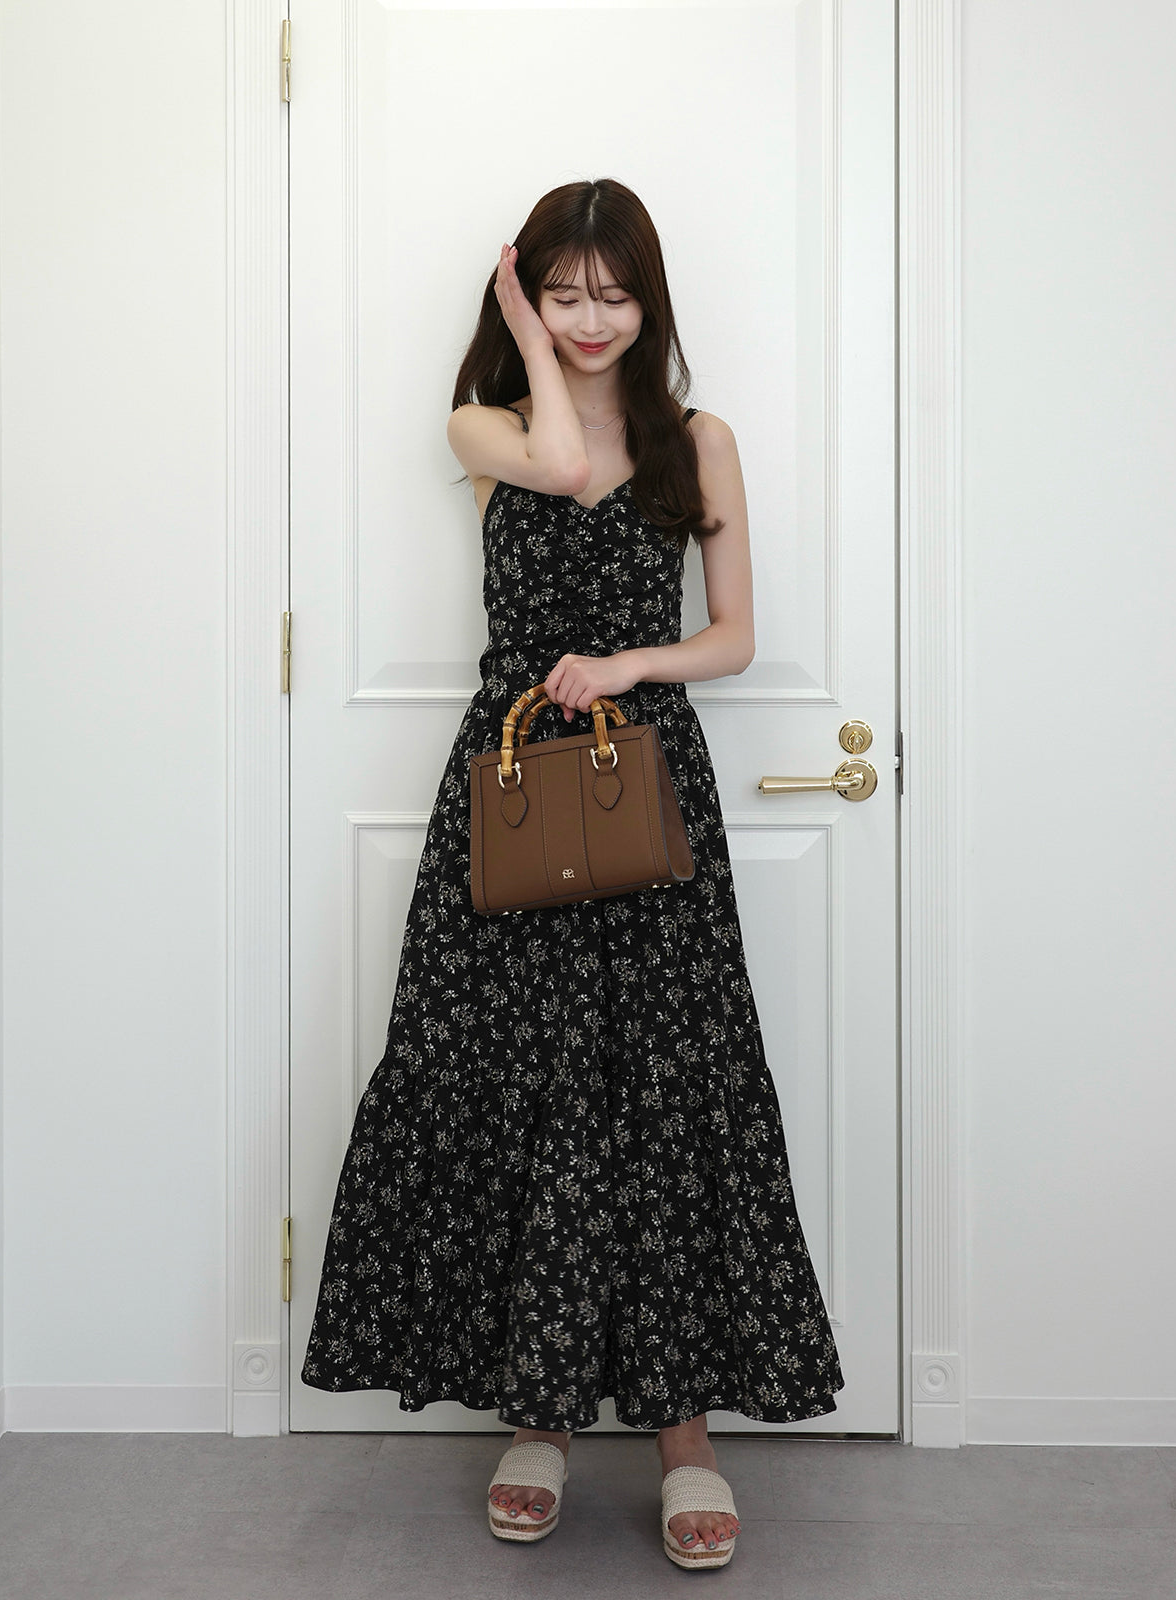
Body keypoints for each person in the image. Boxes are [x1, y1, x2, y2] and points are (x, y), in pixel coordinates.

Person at [299, 177, 844, 1569]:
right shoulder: (485, 427)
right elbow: (553, 457)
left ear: (651, 299)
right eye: (563, 295)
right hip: (508, 788)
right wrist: (526, 347)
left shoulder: (700, 442)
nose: (593, 320)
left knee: (664, 1097)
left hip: (646, 787)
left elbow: (734, 636)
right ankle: (534, 1422)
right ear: (528, 301)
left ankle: (684, 1439)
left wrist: (625, 663)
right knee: (513, 1090)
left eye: (614, 295)